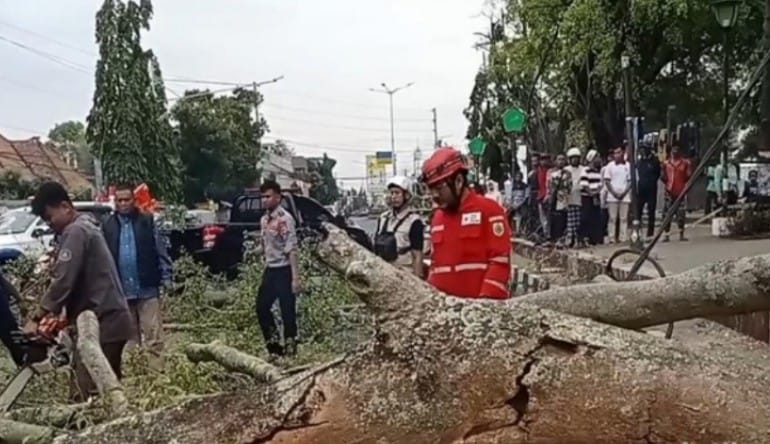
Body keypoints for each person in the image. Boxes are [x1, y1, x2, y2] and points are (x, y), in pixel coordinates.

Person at [26, 181, 133, 401]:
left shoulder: (76, 231)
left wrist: (37, 317)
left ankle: (91, 432)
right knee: (106, 389)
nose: (49, 224)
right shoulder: (86, 226)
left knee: (85, 393)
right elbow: (79, 282)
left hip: (104, 321)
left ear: (65, 206)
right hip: (107, 318)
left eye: (49, 217)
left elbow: (63, 280)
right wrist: (64, 316)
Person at [421, 147, 511, 299]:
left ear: (458, 181)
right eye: (431, 189)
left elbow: (500, 262)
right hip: (446, 314)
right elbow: (435, 267)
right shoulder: (437, 218)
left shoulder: (489, 210)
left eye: (439, 188)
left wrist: (485, 305)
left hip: (481, 311)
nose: (434, 195)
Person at [101, 183, 172, 365]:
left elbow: (161, 251)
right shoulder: (107, 225)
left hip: (147, 287)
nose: (123, 204)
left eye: (127, 200)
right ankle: (136, 376)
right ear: (115, 202)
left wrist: (166, 278)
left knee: (153, 335)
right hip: (121, 291)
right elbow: (103, 258)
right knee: (129, 340)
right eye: (119, 200)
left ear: (134, 201)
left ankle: (157, 376)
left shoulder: (147, 221)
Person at [257, 180, 300, 357]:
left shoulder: (285, 219)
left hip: (284, 270)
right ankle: (274, 347)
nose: (264, 200)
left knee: (287, 310)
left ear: (278, 197)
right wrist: (255, 252)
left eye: (268, 196)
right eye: (262, 197)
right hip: (270, 270)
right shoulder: (264, 220)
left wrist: (295, 278)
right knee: (261, 307)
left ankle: (291, 347)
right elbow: (265, 244)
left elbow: (291, 249)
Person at [374, 176, 425, 277]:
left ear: (406, 195)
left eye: (397, 193)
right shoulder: (383, 218)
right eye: (391, 193)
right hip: (384, 274)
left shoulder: (414, 221)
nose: (393, 197)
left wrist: (418, 281)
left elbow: (417, 255)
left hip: (404, 276)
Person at [661, 143, 692, 242]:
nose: (675, 152)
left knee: (681, 214)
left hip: (681, 191)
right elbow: (663, 177)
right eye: (673, 150)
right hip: (669, 191)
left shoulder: (685, 163)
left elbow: (688, 176)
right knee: (667, 214)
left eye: (677, 150)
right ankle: (666, 234)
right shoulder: (666, 164)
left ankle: (681, 233)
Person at [603, 146, 631, 243]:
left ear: (623, 153)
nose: (617, 155)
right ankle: (612, 238)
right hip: (612, 196)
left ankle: (622, 237)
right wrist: (614, 193)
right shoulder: (610, 166)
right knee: (612, 218)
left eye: (619, 152)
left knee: (623, 218)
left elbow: (630, 182)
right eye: (615, 153)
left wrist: (624, 193)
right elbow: (607, 181)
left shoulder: (628, 166)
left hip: (625, 196)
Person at [636, 142, 661, 239]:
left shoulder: (654, 161)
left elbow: (658, 173)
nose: (643, 151)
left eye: (644, 149)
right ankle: (638, 232)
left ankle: (650, 233)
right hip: (641, 189)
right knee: (638, 212)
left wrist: (652, 180)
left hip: (651, 189)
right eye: (641, 149)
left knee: (651, 211)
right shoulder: (639, 161)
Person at [579, 150, 604, 245]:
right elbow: (584, 185)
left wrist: (596, 193)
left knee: (596, 218)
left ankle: (595, 238)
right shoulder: (585, 170)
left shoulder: (598, 172)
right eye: (597, 157)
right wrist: (592, 194)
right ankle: (583, 237)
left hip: (596, 196)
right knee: (586, 217)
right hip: (587, 198)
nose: (599, 159)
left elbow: (600, 185)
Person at [547, 153, 571, 246]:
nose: (561, 161)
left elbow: (569, 186)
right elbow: (550, 186)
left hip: (564, 199)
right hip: (554, 198)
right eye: (559, 159)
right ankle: (553, 238)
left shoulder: (568, 173)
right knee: (554, 219)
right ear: (555, 161)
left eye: (563, 159)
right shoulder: (552, 173)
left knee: (562, 219)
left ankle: (561, 239)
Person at [564, 148, 584, 247]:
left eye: (577, 158)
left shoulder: (583, 169)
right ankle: (569, 239)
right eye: (573, 158)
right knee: (570, 221)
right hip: (569, 198)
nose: (575, 160)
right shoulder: (566, 170)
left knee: (579, 221)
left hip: (580, 198)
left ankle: (578, 239)